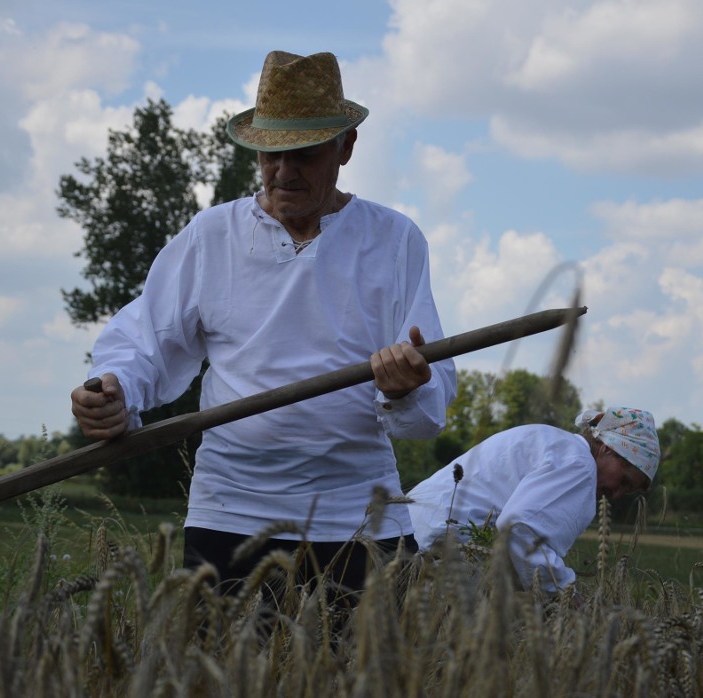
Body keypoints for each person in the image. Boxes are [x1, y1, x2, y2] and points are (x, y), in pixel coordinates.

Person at [71, 50, 457, 593]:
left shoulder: (394, 240)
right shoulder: (211, 237)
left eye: (304, 154)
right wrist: (115, 391)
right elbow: (144, 342)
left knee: (365, 680)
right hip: (228, 515)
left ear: (345, 147)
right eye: (270, 155)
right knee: (222, 676)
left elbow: (427, 411)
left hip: (359, 520)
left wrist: (405, 390)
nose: (284, 172)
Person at [406, 407, 661, 595]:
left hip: (405, 534)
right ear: (607, 448)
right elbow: (519, 528)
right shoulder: (580, 465)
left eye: (627, 491)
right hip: (436, 557)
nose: (616, 494)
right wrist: (566, 595)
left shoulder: (552, 441)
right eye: (625, 481)